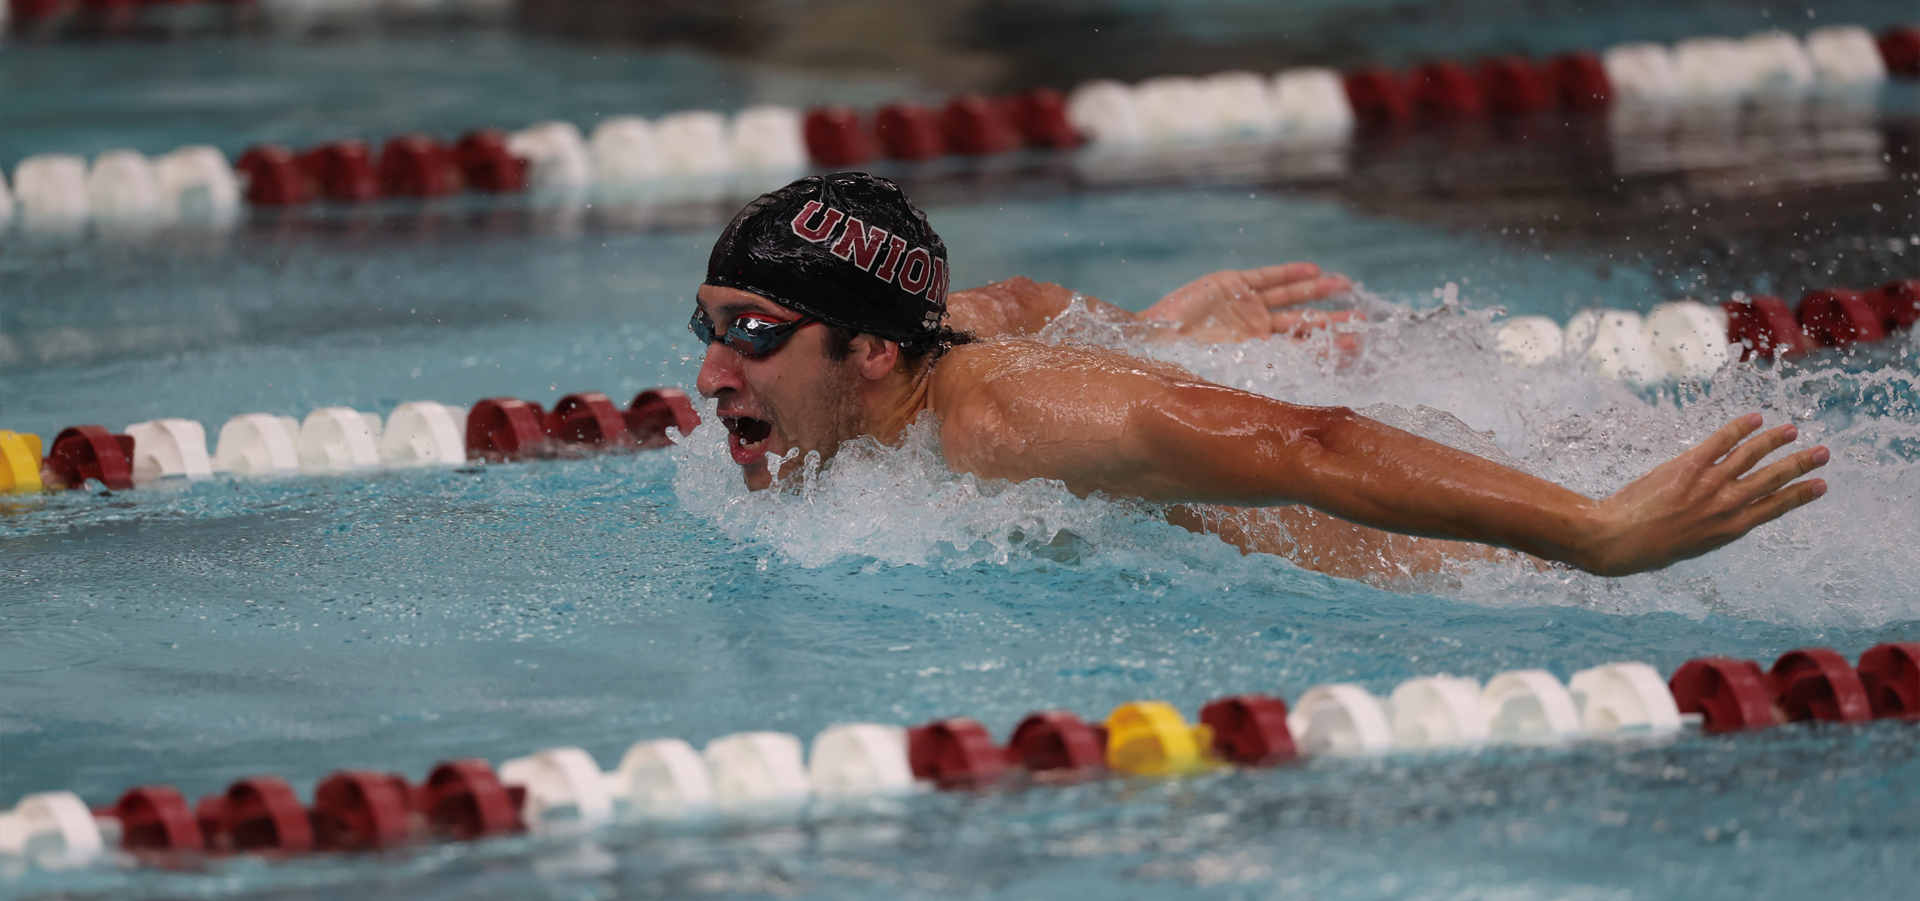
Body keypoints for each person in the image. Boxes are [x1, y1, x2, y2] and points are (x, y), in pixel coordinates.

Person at [694, 173, 1828, 580]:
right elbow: (1017, 300)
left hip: (1454, 559)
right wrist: (1149, 329)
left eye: (750, 335)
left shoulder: (1006, 424)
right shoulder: (920, 344)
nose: (707, 377)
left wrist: (1596, 535)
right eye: (705, 327)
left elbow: (1311, 444)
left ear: (873, 350)